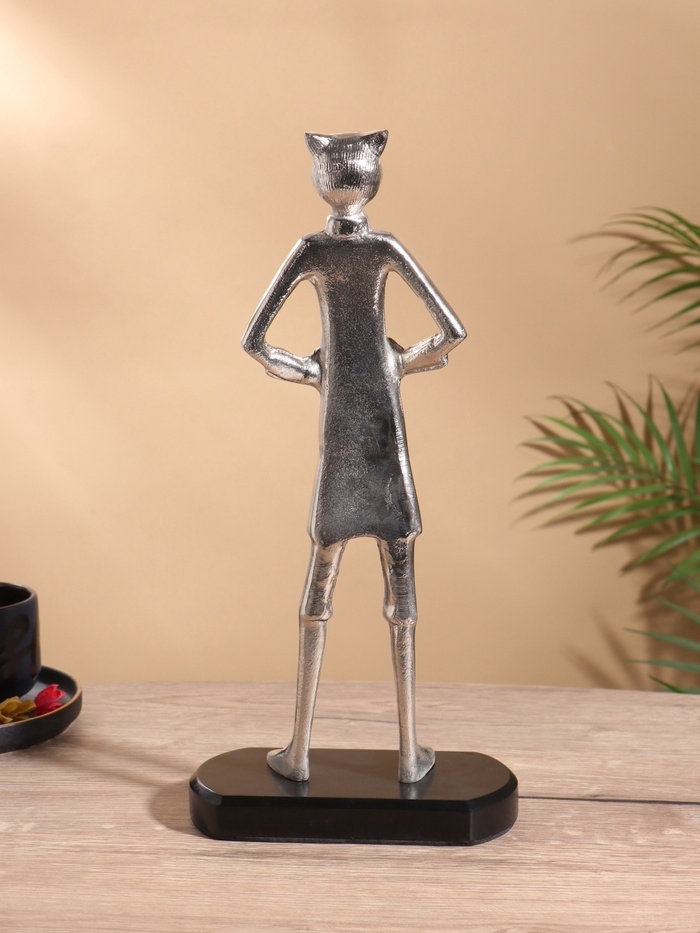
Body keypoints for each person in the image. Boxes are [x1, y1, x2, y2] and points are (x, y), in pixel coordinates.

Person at [242, 130, 466, 783]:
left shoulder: (311, 251)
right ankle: (408, 754)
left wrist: (314, 372)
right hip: (384, 432)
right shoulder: (384, 248)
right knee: (403, 594)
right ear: (372, 174)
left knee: (319, 589)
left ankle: (300, 752)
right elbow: (451, 332)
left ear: (322, 174)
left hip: (340, 426)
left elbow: (256, 343)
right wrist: (402, 362)